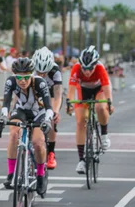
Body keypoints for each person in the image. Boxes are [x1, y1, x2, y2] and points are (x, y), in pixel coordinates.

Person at [0, 58, 53, 196]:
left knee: (37, 142)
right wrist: (4, 116)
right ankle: (11, 174)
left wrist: (47, 121)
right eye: (19, 77)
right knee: (13, 135)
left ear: (32, 75)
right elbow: (6, 103)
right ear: (14, 75)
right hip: (21, 110)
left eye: (26, 77)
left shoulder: (40, 83)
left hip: (39, 113)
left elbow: (49, 107)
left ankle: (40, 176)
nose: (22, 81)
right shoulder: (10, 81)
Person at [66, 46, 113, 174]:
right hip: (84, 91)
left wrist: (109, 103)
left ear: (95, 65)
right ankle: (81, 160)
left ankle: (104, 136)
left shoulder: (100, 68)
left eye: (90, 68)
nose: (87, 71)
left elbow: (107, 87)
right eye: (84, 68)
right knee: (81, 122)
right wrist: (69, 104)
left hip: (99, 90)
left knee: (100, 107)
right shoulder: (76, 68)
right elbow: (71, 90)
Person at [32, 47, 63, 170]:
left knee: (51, 118)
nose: (41, 75)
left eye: (44, 73)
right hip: (34, 92)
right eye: (39, 72)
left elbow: (58, 95)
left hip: (50, 93)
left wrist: (55, 112)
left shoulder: (55, 71)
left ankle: (51, 153)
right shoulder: (31, 69)